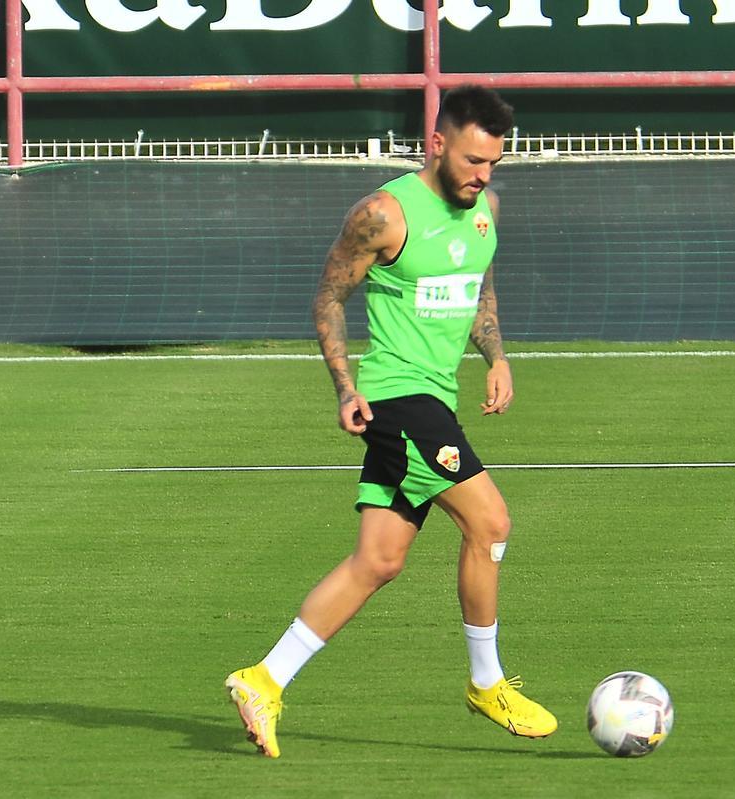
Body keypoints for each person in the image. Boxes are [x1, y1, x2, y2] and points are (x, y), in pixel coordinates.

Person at [224, 84, 557, 759]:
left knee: (378, 559)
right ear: (437, 142)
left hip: (437, 395)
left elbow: (479, 284)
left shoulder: (485, 208)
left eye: (493, 162)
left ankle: (262, 679)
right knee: (490, 523)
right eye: (471, 160)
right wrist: (345, 386)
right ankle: (486, 681)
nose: (481, 175)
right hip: (398, 399)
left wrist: (495, 355)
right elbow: (329, 294)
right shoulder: (383, 214)